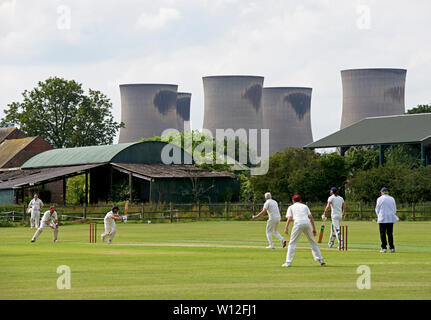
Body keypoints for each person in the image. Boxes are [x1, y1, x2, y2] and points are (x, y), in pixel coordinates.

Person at [282, 194, 326, 267]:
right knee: (312, 242)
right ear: (300, 200)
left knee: (292, 243)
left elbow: (289, 218)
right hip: (307, 223)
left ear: (293, 200)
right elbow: (311, 217)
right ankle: (321, 259)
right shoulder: (305, 206)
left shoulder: (291, 207)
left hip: (298, 223)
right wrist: (314, 228)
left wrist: (286, 228)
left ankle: (288, 262)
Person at [375, 187, 399, 253]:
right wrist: (391, 215)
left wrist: (379, 216)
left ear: (382, 192)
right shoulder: (392, 198)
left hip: (382, 219)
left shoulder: (379, 199)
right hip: (390, 219)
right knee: (390, 234)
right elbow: (394, 209)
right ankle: (392, 248)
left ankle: (384, 248)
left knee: (382, 234)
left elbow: (377, 209)